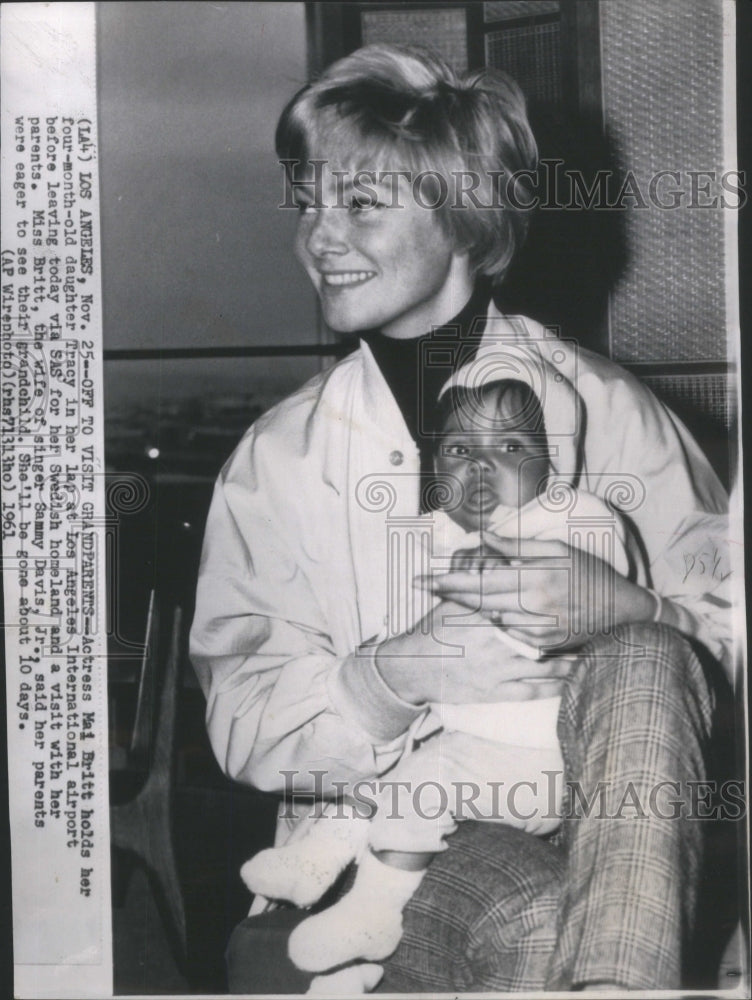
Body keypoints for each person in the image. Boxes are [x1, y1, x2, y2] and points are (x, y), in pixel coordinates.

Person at [190, 43, 732, 991]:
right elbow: (243, 719)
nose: (318, 235)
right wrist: (401, 672)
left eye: (359, 204)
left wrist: (641, 612)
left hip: (617, 842)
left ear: (465, 217)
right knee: (533, 911)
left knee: (646, 655)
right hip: (380, 858)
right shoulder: (277, 461)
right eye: (310, 202)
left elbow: (725, 647)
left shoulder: (611, 412)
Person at [239, 374, 646, 988]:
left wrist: (491, 573)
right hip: (476, 747)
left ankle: (373, 913)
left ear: (551, 463)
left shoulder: (578, 517)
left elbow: (572, 603)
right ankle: (315, 866)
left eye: (509, 449)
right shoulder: (437, 533)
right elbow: (410, 641)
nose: (481, 467)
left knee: (422, 788)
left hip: (549, 763)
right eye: (458, 451)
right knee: (382, 781)